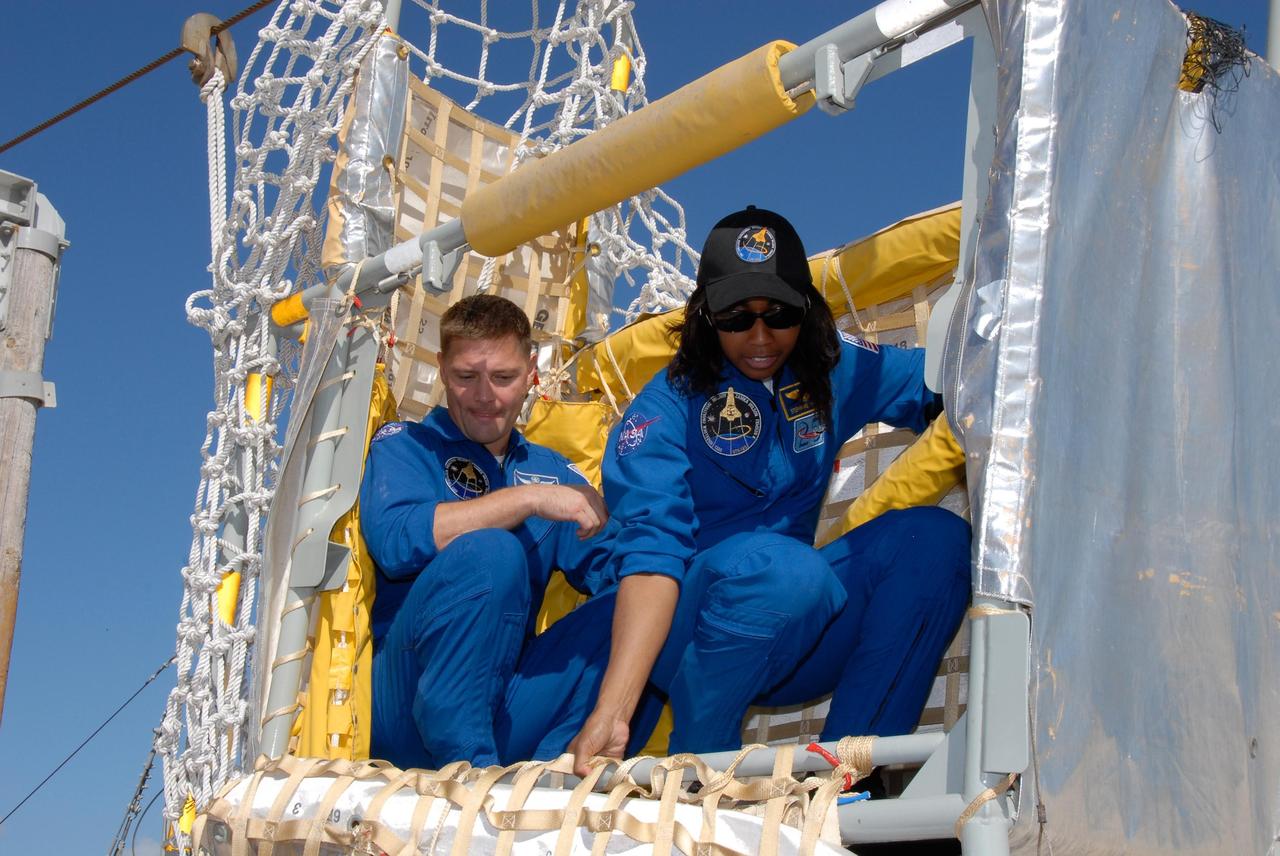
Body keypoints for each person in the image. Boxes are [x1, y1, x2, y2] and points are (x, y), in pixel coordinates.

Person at [563, 206, 972, 773]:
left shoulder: (830, 368)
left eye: (779, 313)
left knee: (937, 541)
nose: (760, 337)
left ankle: (847, 782)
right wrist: (615, 708)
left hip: (797, 624)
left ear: (806, 310)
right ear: (706, 317)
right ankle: (701, 772)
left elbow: (947, 384)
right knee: (782, 569)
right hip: (683, 633)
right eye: (736, 317)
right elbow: (650, 559)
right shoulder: (661, 410)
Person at [359, 294, 615, 770]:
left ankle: (552, 777)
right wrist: (528, 500)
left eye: (503, 377)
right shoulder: (406, 446)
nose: (484, 395)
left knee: (637, 604)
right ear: (440, 367)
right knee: (493, 552)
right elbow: (395, 542)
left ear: (531, 372)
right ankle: (466, 770)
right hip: (409, 704)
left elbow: (615, 565)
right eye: (466, 376)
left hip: (504, 697)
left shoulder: (550, 470)